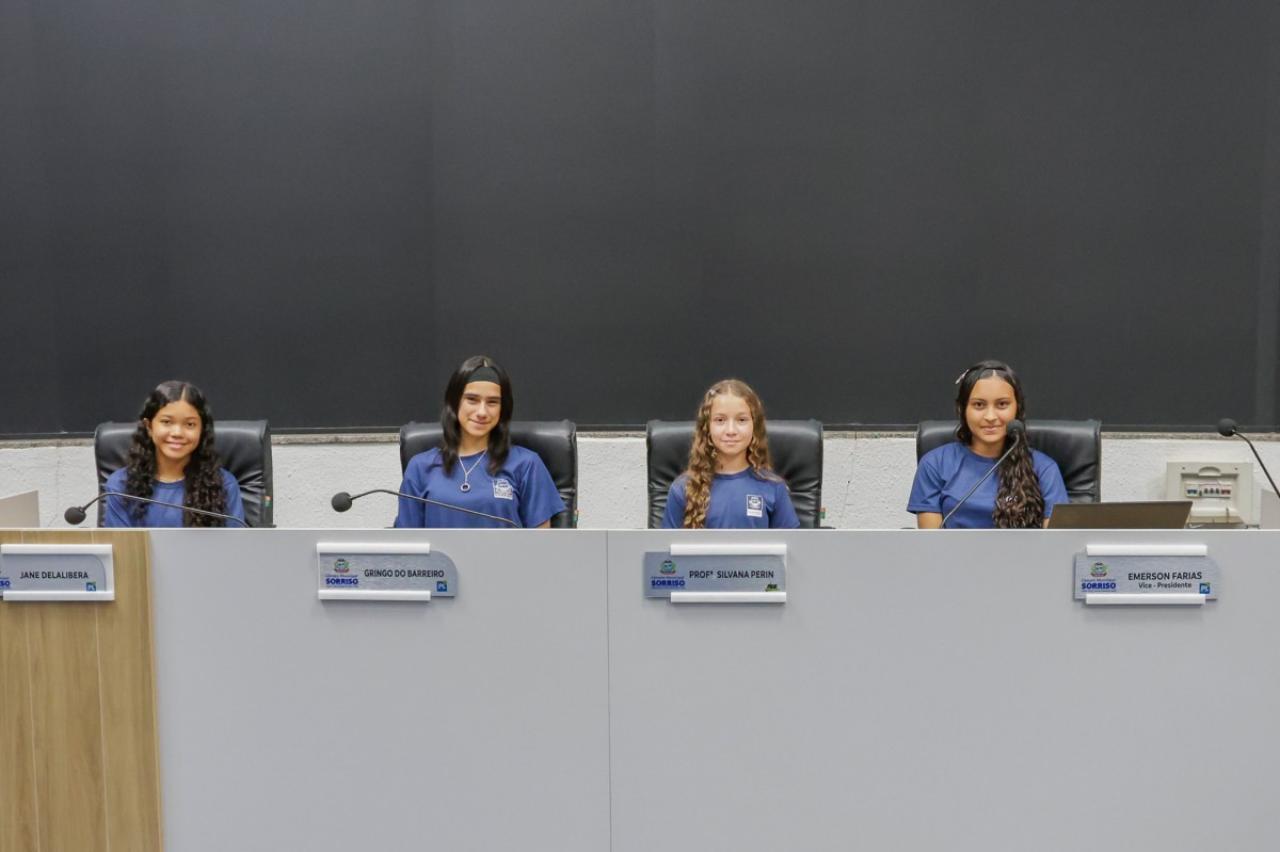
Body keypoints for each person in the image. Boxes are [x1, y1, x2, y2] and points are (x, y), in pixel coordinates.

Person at [395, 356, 565, 528]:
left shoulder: (527, 464)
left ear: (502, 409)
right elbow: (408, 541)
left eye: (492, 402)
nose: (482, 412)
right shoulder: (420, 468)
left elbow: (541, 541)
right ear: (454, 403)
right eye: (472, 400)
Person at [909, 360, 1069, 529]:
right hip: (953, 548)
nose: (990, 416)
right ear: (962, 409)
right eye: (979, 405)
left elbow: (1056, 541)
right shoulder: (935, 464)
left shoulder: (1044, 469)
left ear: (1017, 408)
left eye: (1002, 404)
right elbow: (932, 542)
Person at [662, 379, 800, 529]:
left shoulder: (773, 487)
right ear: (707, 427)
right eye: (720, 420)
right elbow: (667, 544)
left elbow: (791, 543)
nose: (731, 430)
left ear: (755, 426)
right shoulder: (683, 489)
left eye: (741, 420)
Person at [104, 381, 245, 527]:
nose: (177, 433)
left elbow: (236, 541)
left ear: (202, 430)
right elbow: (121, 542)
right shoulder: (120, 486)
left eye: (190, 424)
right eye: (166, 422)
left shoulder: (224, 485)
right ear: (149, 426)